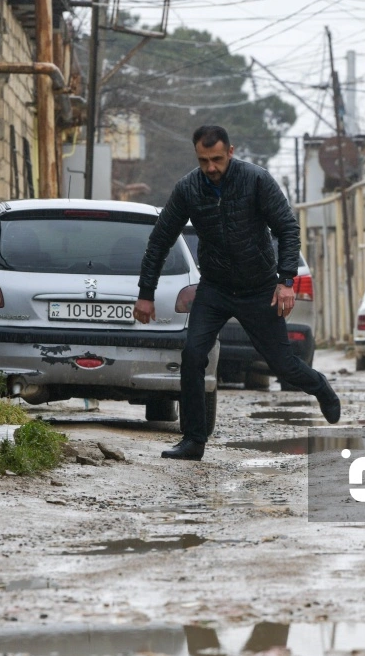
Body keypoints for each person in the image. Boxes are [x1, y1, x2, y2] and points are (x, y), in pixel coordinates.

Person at [135, 125, 341, 460]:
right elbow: (160, 239)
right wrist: (146, 292)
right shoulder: (188, 188)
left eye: (217, 159)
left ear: (230, 152)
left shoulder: (255, 180)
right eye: (204, 161)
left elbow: (287, 227)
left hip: (259, 287)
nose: (211, 167)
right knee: (193, 355)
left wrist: (286, 280)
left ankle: (321, 388)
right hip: (215, 287)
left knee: (283, 363)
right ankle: (194, 440)